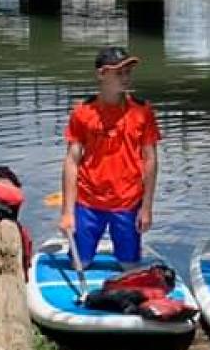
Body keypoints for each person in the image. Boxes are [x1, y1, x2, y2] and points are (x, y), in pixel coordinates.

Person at [59, 46, 161, 268]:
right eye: (119, 73)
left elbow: (151, 161)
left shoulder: (143, 111)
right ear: (101, 74)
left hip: (127, 202)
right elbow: (72, 161)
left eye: (128, 72)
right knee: (80, 264)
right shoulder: (82, 112)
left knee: (129, 265)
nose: (125, 78)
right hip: (88, 201)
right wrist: (67, 211)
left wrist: (146, 208)